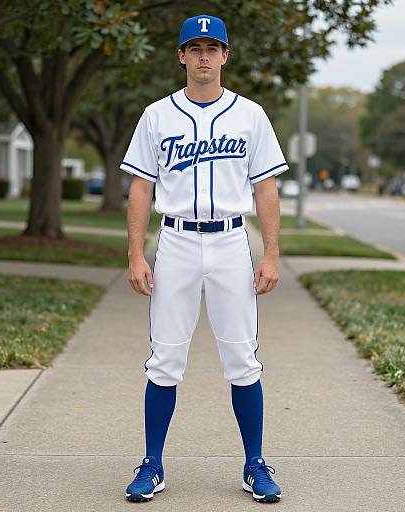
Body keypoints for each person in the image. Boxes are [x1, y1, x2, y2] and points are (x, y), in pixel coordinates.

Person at [119, 14, 288, 504]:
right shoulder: (156, 115)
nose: (204, 57)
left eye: (212, 48)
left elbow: (266, 187)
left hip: (232, 242)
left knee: (242, 358)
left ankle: (255, 464)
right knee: (166, 358)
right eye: (195, 48)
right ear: (181, 56)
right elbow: (141, 186)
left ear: (226, 55)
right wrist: (135, 253)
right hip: (174, 242)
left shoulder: (250, 115)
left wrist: (271, 253)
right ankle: (152, 465)